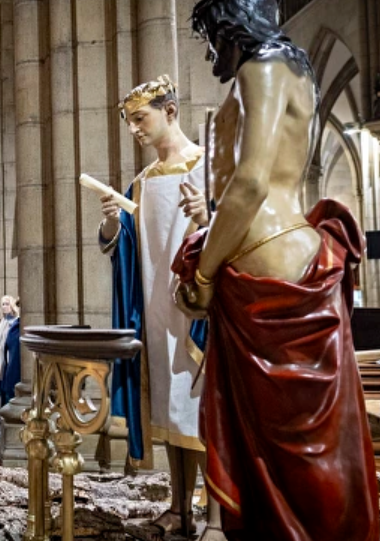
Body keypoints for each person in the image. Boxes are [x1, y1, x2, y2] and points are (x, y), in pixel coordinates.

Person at [172, 1, 379, 539]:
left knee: (272, 447)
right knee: (312, 446)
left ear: (227, 25)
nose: (211, 50)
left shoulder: (257, 71)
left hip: (262, 260)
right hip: (300, 253)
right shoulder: (298, 74)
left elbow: (250, 183)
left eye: (210, 36)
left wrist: (204, 273)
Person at [98, 73, 214, 538]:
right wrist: (111, 225)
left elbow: (237, 233)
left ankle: (218, 515)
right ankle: (179, 508)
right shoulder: (141, 184)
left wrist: (209, 217)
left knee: (200, 413)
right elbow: (124, 247)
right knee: (168, 413)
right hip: (155, 312)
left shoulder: (208, 167)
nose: (133, 129)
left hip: (200, 312)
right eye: (127, 122)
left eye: (139, 118)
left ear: (170, 111)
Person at [0, 295, 20, 407]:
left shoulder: (16, 322)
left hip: (8, 360)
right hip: (0, 360)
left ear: (12, 306)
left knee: (8, 389)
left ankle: (7, 412)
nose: (4, 306)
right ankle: (2, 413)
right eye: (2, 304)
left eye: (7, 304)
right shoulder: (2, 321)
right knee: (0, 388)